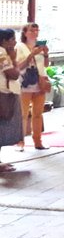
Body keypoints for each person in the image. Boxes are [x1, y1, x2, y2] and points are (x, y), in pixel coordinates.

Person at [15, 23, 50, 151]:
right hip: (25, 83)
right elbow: (19, 66)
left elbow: (46, 65)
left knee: (38, 114)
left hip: (39, 82)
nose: (35, 32)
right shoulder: (20, 46)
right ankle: (20, 142)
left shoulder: (40, 46)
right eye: (32, 30)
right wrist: (31, 54)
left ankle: (38, 141)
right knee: (23, 114)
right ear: (25, 32)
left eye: (36, 30)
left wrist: (45, 53)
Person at [0, 29, 23, 172]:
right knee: (2, 126)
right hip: (3, 94)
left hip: (4, 93)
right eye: (12, 39)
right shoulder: (2, 54)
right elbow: (13, 75)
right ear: (4, 41)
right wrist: (13, 59)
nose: (15, 42)